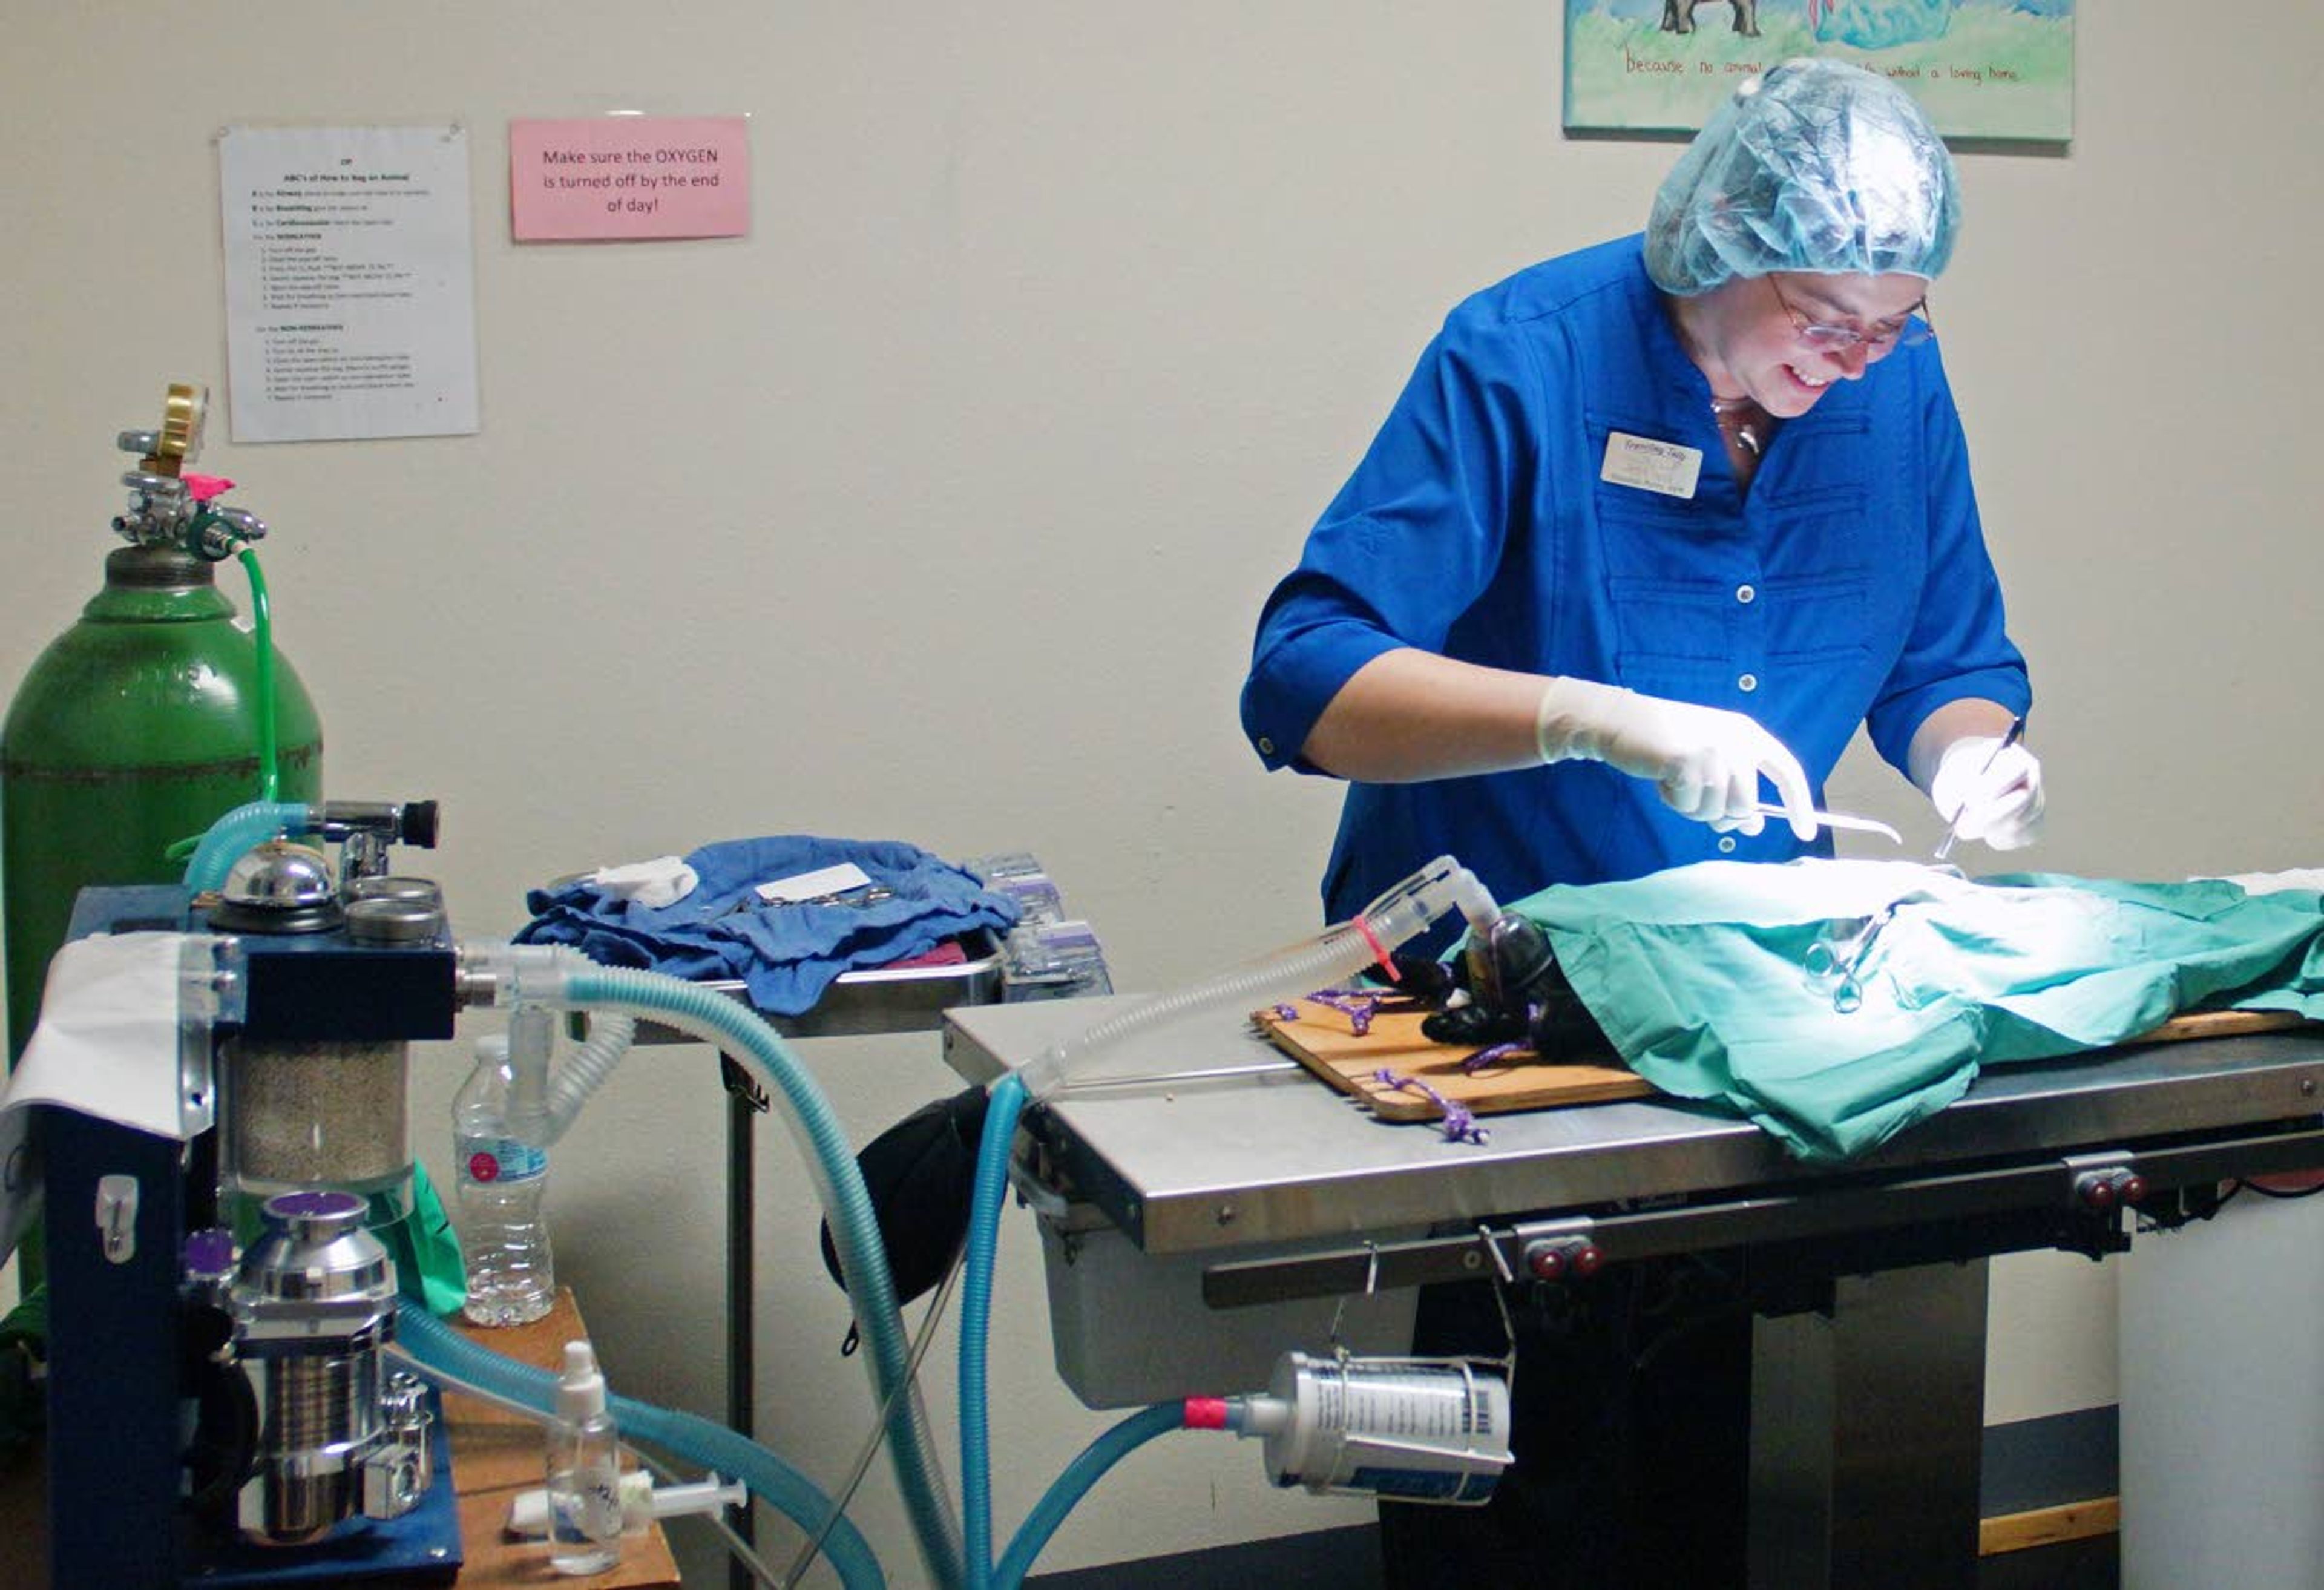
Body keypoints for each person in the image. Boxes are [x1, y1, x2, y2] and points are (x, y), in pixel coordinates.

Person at [1238, 57, 2044, 1587]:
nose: (1860, 360)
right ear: (1720, 247)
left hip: (1748, 1016)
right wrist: (1585, 716)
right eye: (1825, 322)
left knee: (1724, 1470)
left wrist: (1969, 756)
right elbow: (1304, 681)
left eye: (1895, 323)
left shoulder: (1889, 392)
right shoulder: (1525, 359)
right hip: (1504, 1018)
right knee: (1521, 1486)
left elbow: (1950, 660)